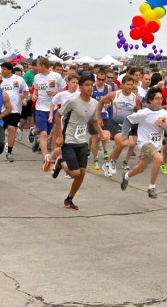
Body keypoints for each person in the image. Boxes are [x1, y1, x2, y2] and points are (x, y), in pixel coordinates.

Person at [50, 75, 101, 210]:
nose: (90, 88)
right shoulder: (73, 101)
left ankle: (69, 198)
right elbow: (58, 115)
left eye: (92, 85)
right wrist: (60, 135)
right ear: (80, 86)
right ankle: (60, 162)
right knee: (75, 173)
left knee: (82, 173)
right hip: (69, 140)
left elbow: (94, 121)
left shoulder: (94, 103)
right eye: (87, 85)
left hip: (82, 140)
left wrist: (102, 133)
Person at [119, 89, 167, 199]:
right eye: (157, 99)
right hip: (145, 143)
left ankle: (126, 176)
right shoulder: (144, 112)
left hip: (156, 145)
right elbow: (128, 120)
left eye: (161, 98)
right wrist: (125, 137)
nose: (160, 101)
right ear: (150, 100)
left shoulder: (164, 113)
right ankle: (152, 187)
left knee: (140, 168)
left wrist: (163, 125)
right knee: (159, 159)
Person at [98, 76, 141, 178]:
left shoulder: (136, 99)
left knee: (123, 144)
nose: (130, 87)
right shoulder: (114, 94)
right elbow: (101, 102)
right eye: (127, 84)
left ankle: (109, 163)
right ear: (122, 85)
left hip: (127, 124)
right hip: (113, 122)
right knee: (122, 142)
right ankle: (111, 162)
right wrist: (99, 117)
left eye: (131, 84)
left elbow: (138, 113)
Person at [31, 57, 66, 167]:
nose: (36, 67)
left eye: (37, 65)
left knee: (50, 132)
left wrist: (55, 93)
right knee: (44, 133)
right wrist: (34, 96)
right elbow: (35, 89)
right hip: (40, 108)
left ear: (42, 65)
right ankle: (46, 158)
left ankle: (34, 134)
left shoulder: (56, 76)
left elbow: (64, 89)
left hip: (53, 108)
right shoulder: (37, 77)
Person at [0, 62, 29, 162]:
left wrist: (24, 99)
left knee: (12, 129)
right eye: (1, 68)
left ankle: (9, 152)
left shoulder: (18, 79)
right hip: (1, 110)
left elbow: (26, 90)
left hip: (14, 109)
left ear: (10, 70)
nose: (2, 71)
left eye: (4, 69)